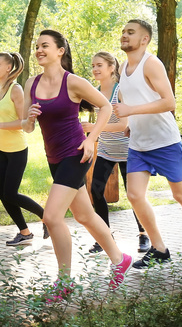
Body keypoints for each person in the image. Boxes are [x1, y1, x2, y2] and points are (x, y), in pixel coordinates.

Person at [23, 29, 133, 287]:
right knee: (84, 215)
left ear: (60, 51)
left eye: (45, 45)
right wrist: (28, 118)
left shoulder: (72, 82)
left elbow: (105, 106)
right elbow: (26, 127)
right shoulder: (31, 84)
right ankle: (120, 259)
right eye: (37, 46)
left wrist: (91, 138)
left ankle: (64, 283)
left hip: (76, 153)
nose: (39, 50)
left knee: (52, 217)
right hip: (54, 157)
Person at [112, 19, 182, 270]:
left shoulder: (151, 63)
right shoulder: (123, 67)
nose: (124, 35)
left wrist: (131, 110)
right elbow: (132, 101)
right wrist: (129, 122)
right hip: (139, 144)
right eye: (124, 31)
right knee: (135, 195)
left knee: (180, 194)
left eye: (131, 32)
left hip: (164, 142)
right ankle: (159, 249)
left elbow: (169, 102)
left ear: (144, 39)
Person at [80, 51, 151, 254]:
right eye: (93, 65)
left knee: (134, 195)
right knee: (96, 192)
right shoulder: (95, 92)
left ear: (112, 68)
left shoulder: (120, 91)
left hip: (128, 150)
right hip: (106, 150)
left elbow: (122, 124)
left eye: (99, 65)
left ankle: (144, 234)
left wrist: (94, 128)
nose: (95, 69)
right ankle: (105, 237)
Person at [0, 52, 47, 247]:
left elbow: (23, 123)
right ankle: (25, 232)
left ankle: (45, 216)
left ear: (9, 68)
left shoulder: (15, 90)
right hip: (1, 150)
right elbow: (0, 123)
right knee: (2, 192)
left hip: (17, 150)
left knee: (10, 193)